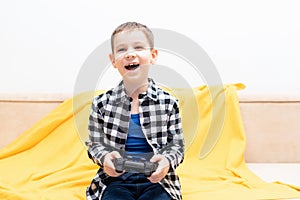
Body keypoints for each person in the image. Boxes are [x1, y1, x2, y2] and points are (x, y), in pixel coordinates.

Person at [86, 22, 185, 200]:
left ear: (153, 56)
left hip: (158, 182)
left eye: (138, 47)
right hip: (115, 181)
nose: (130, 54)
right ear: (113, 60)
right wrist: (105, 158)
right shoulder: (101, 104)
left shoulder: (169, 103)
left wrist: (167, 162)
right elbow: (95, 144)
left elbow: (176, 146)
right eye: (122, 49)